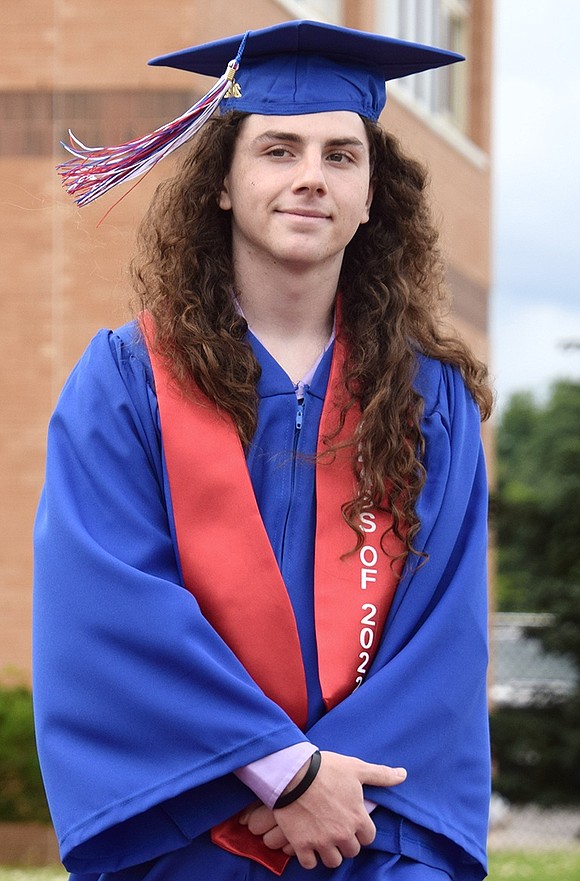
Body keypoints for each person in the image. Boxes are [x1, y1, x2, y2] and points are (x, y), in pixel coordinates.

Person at [33, 19, 493, 881]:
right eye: (278, 151)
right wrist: (280, 770)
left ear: (371, 195)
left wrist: (332, 787)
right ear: (223, 183)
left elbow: (447, 634)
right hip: (193, 827)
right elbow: (105, 607)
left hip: (375, 829)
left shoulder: (431, 400)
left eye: (341, 156)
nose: (310, 179)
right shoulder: (126, 384)